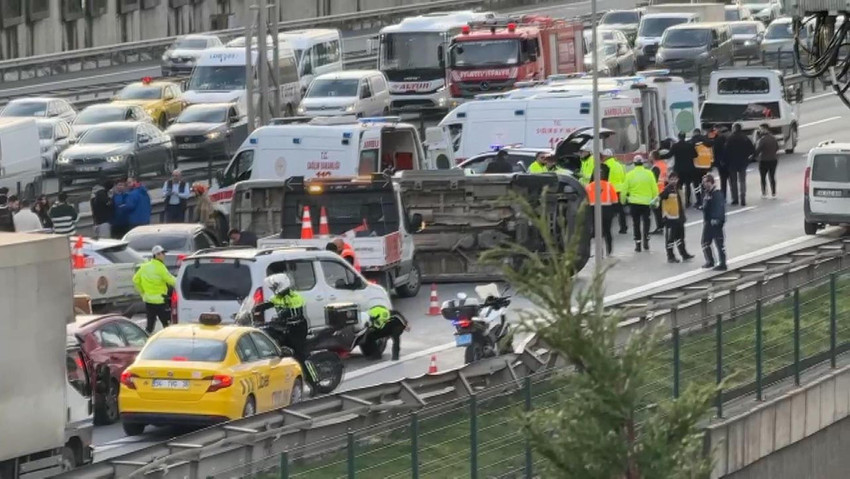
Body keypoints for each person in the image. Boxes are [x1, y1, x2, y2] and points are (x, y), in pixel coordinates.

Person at [252, 274, 312, 384]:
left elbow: (293, 311)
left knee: (299, 355)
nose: (273, 289)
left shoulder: (295, 297)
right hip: (285, 328)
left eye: (274, 287)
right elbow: (266, 305)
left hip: (297, 328)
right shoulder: (277, 298)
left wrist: (283, 314)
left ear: (281, 285)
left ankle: (313, 381)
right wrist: (254, 309)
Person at [133, 245, 177, 333]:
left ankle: (147, 342)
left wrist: (142, 292)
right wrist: (183, 283)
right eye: (162, 253)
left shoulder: (145, 266)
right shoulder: (160, 267)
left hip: (148, 300)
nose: (164, 255)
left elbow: (135, 280)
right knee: (166, 325)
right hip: (160, 301)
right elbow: (171, 281)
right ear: (157, 255)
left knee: (149, 326)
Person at [623, 155, 659, 252]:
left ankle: (638, 244)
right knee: (646, 222)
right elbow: (654, 188)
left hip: (634, 202)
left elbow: (624, 190)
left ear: (634, 164)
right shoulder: (649, 174)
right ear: (643, 163)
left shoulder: (629, 175)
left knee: (636, 223)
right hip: (646, 203)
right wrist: (655, 200)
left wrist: (623, 200)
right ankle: (646, 239)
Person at [659, 172, 694, 263]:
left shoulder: (678, 189)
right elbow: (659, 200)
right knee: (670, 239)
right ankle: (670, 256)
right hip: (670, 219)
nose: (673, 181)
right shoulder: (667, 190)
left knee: (680, 238)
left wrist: (683, 217)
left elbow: (680, 205)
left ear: (677, 179)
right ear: (669, 180)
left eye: (675, 179)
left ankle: (684, 254)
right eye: (671, 179)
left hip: (679, 218)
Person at [584, 163, 619, 255]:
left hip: (594, 210)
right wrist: (615, 212)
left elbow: (585, 201)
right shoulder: (609, 185)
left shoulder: (589, 187)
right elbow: (615, 200)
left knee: (597, 232)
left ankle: (600, 252)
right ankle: (609, 250)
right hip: (607, 210)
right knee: (608, 231)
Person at [659, 132, 698, 208]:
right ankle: (687, 202)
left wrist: (659, 157)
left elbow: (669, 155)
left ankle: (679, 201)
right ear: (685, 137)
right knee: (688, 185)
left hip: (679, 169)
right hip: (689, 168)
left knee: (678, 185)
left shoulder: (675, 146)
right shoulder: (690, 145)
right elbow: (695, 155)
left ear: (679, 137)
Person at [701, 174, 727, 271]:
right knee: (705, 242)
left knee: (719, 243)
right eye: (704, 182)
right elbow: (706, 206)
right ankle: (710, 261)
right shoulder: (706, 194)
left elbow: (719, 208)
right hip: (708, 222)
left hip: (716, 222)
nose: (705, 184)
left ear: (712, 182)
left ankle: (723, 263)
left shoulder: (716, 194)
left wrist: (718, 219)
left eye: (707, 182)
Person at [724, 123, 755, 206]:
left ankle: (735, 199)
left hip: (732, 163)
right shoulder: (745, 138)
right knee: (742, 181)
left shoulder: (730, 138)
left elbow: (726, 151)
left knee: (733, 181)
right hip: (743, 162)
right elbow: (752, 150)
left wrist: (726, 161)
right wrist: (748, 159)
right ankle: (743, 198)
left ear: (734, 128)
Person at [603, 151, 628, 234]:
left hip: (610, 190)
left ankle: (606, 229)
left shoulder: (606, 165)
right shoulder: (619, 165)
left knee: (607, 210)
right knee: (620, 210)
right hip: (620, 190)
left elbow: (605, 179)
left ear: (606, 156)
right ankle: (623, 227)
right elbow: (624, 177)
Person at [754, 123, 779, 199]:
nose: (759, 130)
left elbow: (758, 150)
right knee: (772, 177)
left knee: (763, 177)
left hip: (764, 160)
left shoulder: (762, 140)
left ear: (765, 129)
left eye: (760, 129)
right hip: (773, 159)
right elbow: (777, 148)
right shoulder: (773, 138)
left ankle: (764, 193)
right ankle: (773, 192)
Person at [691, 127, 714, 204]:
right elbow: (711, 154)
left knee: (696, 184)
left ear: (694, 133)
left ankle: (699, 199)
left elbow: (692, 154)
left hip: (697, 166)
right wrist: (711, 164)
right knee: (704, 182)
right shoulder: (707, 142)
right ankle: (705, 196)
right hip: (706, 166)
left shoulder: (693, 142)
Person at [650, 150, 668, 235]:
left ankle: (660, 227)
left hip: (657, 191)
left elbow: (653, 181)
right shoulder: (663, 164)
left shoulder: (656, 167)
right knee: (661, 209)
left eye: (650, 156)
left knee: (656, 210)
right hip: (664, 189)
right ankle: (663, 224)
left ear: (653, 157)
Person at [709, 126, 729, 200]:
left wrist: (714, 162)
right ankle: (734, 196)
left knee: (723, 179)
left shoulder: (717, 140)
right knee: (731, 180)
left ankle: (724, 195)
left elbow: (715, 152)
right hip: (728, 162)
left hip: (720, 162)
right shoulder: (727, 139)